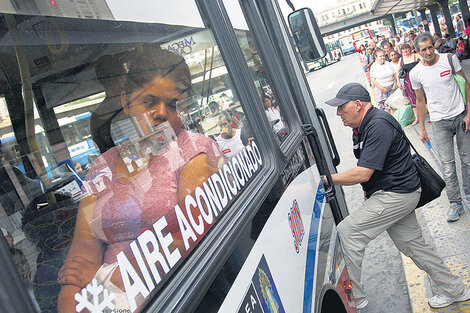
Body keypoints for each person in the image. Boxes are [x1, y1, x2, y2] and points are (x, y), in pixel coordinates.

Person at [57, 47, 224, 311]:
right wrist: (72, 300)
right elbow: (82, 253)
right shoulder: (103, 166)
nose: (160, 113)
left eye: (172, 104)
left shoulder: (193, 152)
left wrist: (107, 277)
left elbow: (190, 237)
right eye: (148, 101)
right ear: (125, 102)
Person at [324, 82, 470, 310]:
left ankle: (357, 299)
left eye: (342, 108)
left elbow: (364, 172)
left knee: (348, 231)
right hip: (400, 191)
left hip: (396, 195)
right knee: (415, 247)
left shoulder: (377, 125)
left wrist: (326, 179)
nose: (338, 113)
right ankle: (457, 290)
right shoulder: (364, 126)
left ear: (358, 105)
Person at [410, 32, 470, 222]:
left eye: (430, 47)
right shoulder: (416, 73)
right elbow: (420, 101)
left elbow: (466, 85)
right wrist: (422, 129)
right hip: (439, 122)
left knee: (467, 160)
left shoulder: (449, 59)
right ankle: (455, 203)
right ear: (417, 51)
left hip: (460, 115)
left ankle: (468, 193)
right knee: (448, 166)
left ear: (434, 45)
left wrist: (469, 113)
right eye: (423, 49)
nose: (428, 52)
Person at [397, 43, 421, 125]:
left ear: (410, 48)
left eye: (407, 48)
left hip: (418, 78)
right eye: (403, 49)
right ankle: (417, 118)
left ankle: (431, 114)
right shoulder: (402, 59)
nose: (405, 50)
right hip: (408, 81)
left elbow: (424, 62)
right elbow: (398, 71)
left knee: (424, 95)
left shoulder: (416, 56)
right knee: (412, 98)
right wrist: (398, 82)